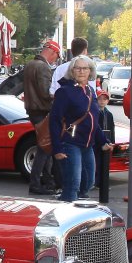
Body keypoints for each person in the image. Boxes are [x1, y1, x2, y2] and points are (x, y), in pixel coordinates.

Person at [48, 55, 101, 202]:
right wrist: (57, 148)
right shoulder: (65, 92)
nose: (81, 71)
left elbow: (93, 119)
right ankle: (67, 207)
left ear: (90, 71)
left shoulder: (90, 90)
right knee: (73, 184)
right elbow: (54, 120)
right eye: (77, 68)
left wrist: (103, 140)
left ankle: (75, 205)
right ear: (72, 71)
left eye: (85, 68)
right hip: (70, 142)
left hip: (87, 144)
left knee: (88, 182)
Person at [22, 40, 61, 195]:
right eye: (57, 56)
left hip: (33, 110)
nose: (55, 59)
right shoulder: (43, 67)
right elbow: (46, 92)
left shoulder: (30, 65)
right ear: (53, 52)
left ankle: (47, 181)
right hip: (42, 111)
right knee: (44, 148)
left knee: (44, 147)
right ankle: (36, 183)